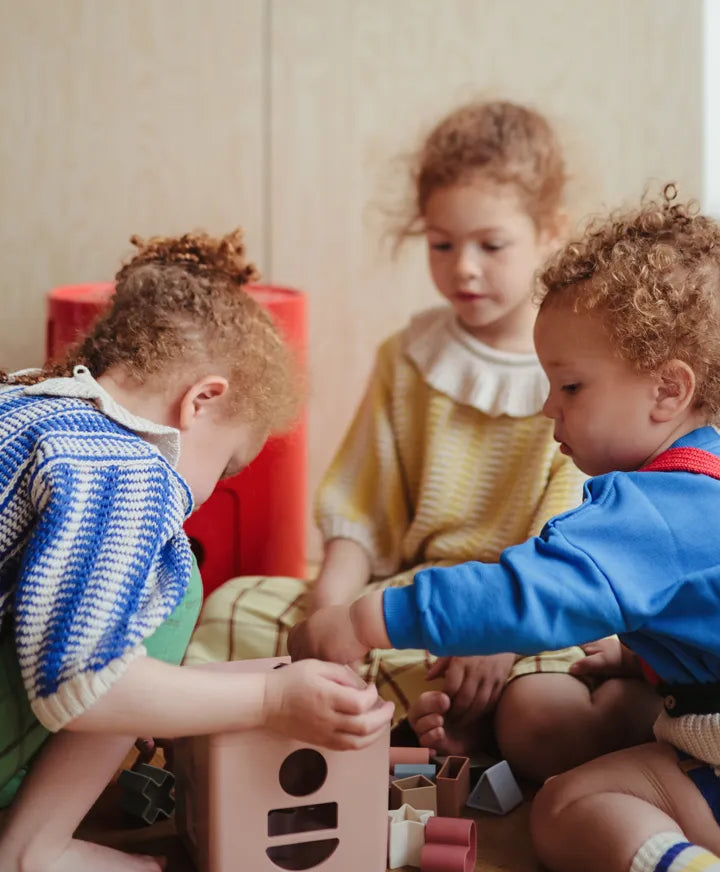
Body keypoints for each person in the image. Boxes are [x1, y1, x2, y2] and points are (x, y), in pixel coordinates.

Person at [288, 187, 720, 872]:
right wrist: (633, 653)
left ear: (667, 389)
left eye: (570, 388)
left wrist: (364, 618)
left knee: (566, 809)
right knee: (623, 717)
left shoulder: (650, 509)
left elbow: (525, 595)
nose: (548, 410)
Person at [0, 229, 393, 872]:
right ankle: (28, 865)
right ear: (200, 401)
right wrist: (267, 698)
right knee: (170, 577)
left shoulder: (8, 399)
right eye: (229, 465)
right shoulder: (126, 467)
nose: (211, 491)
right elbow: (83, 686)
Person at [187, 100, 660, 782]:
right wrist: (329, 615)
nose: (463, 267)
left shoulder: (580, 373)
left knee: (544, 717)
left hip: (534, 610)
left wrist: (499, 629)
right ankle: (427, 725)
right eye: (442, 244)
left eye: (490, 246)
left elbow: (574, 536)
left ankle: (487, 722)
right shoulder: (406, 359)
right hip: (418, 601)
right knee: (234, 611)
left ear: (550, 233)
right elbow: (359, 511)